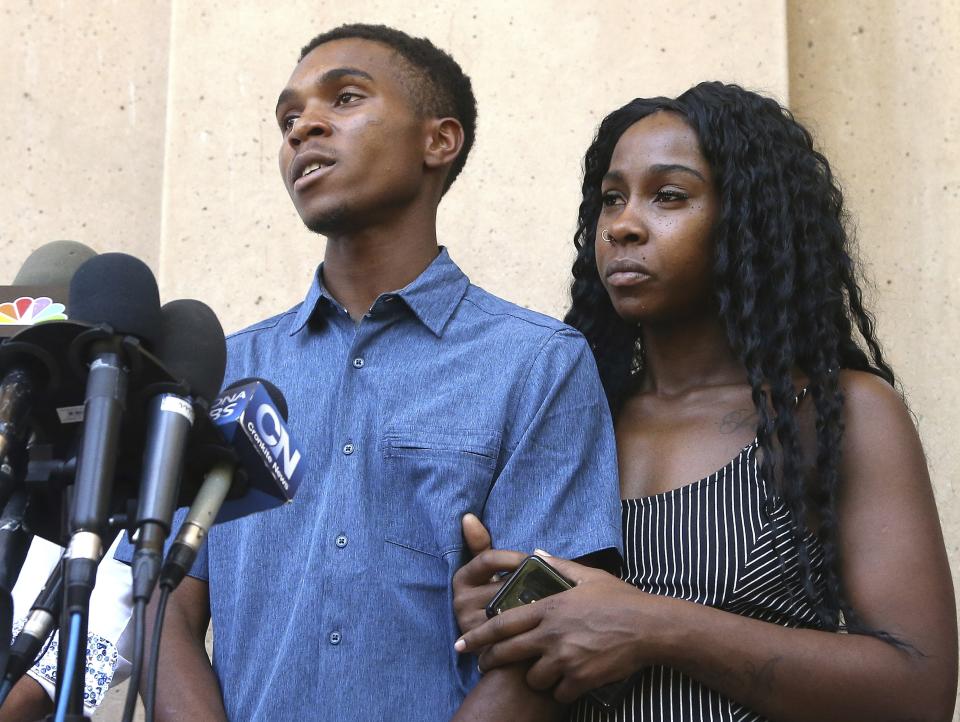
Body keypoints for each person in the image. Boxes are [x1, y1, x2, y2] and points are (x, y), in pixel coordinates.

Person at [133, 24, 622, 722]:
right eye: (288, 118)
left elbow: (546, 638)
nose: (304, 129)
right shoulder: (225, 369)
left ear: (438, 141)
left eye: (346, 98)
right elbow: (161, 603)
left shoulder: (538, 362)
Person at [452, 82, 958, 721]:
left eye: (669, 195)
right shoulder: (571, 419)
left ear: (748, 221)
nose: (624, 225)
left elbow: (917, 690)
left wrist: (653, 625)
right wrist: (497, 615)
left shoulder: (832, 414)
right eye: (612, 199)